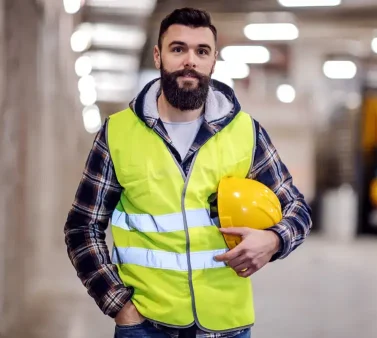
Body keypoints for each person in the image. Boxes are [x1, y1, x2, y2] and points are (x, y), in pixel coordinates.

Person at [64, 7, 313, 338]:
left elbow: (297, 208)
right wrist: (120, 307)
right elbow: (82, 227)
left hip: (226, 326)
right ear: (158, 56)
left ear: (213, 61)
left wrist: (273, 239)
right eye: (178, 49)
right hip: (146, 327)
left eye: (202, 51)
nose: (190, 61)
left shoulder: (246, 132)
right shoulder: (118, 133)